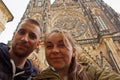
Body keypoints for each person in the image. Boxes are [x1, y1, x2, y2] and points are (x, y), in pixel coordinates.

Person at [33, 28, 120, 80]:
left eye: (61, 45)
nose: (55, 50)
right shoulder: (39, 78)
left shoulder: (93, 73)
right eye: (49, 46)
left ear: (74, 51)